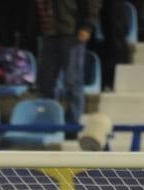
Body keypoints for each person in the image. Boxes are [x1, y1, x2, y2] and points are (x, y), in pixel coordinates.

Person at [34, 0, 101, 134]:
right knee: (45, 82)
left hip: (73, 31)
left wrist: (87, 26)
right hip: (48, 32)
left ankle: (73, 126)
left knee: (73, 81)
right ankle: (50, 122)